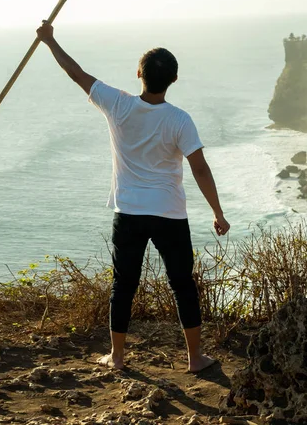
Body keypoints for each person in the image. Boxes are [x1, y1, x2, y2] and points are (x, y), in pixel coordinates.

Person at [36, 21, 231, 372]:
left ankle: (118, 357)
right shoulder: (180, 120)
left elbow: (76, 73)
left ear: (138, 73)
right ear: (173, 80)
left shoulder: (118, 105)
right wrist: (218, 213)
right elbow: (200, 169)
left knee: (123, 285)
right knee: (182, 285)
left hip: (129, 213)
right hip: (170, 213)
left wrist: (50, 41)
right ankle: (195, 358)